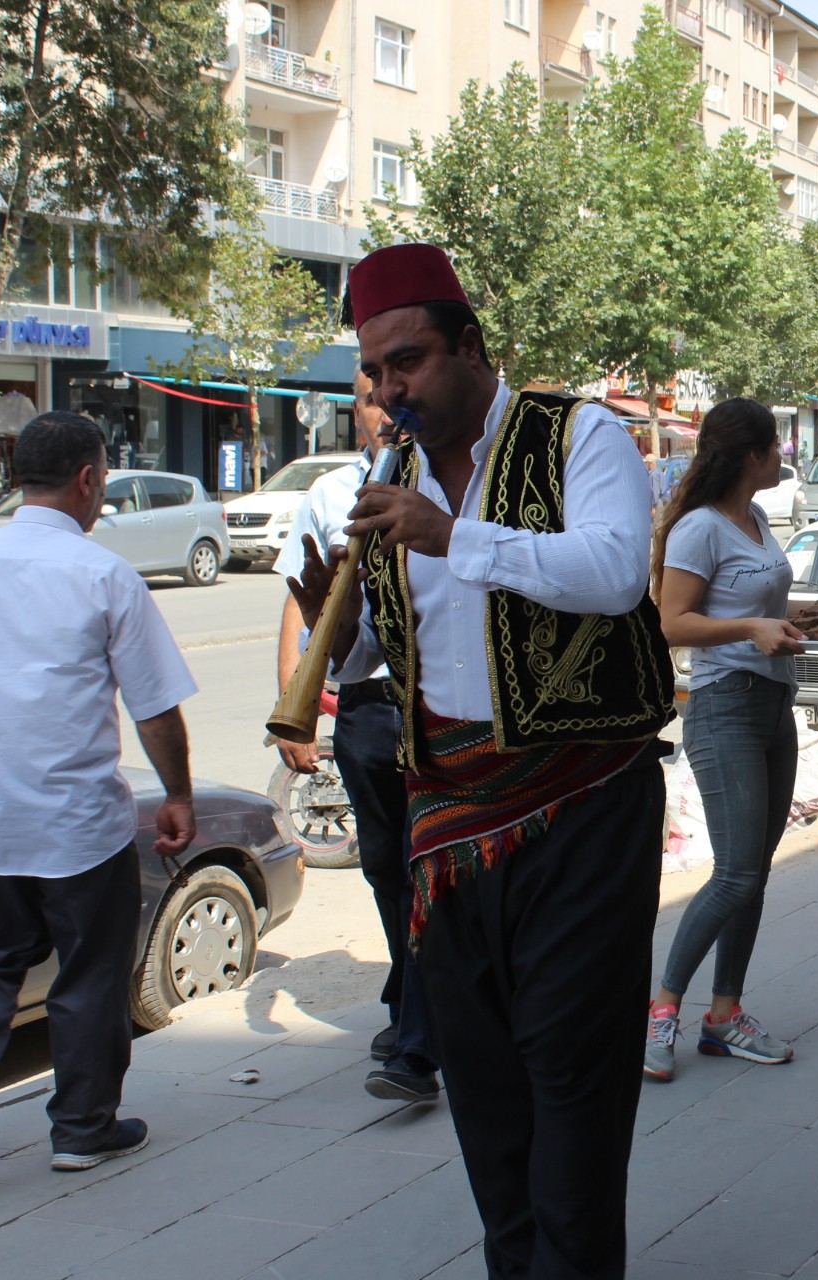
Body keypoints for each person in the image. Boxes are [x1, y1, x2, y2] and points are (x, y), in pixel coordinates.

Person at [289, 244, 672, 1279]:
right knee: (488, 1094)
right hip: (448, 826)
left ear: (470, 346)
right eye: (374, 373)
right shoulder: (395, 478)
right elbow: (387, 652)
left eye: (406, 361)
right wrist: (337, 604)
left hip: (581, 806)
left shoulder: (577, 434)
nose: (388, 391)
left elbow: (613, 572)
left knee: (573, 1088)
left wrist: (454, 534)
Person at [0, 412, 197, 1194]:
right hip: (79, 827)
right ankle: (82, 1129)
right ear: (90, 479)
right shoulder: (103, 575)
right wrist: (176, 794)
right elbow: (155, 706)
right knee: (92, 972)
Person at [274, 368, 437, 1103]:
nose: (385, 414)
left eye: (392, 400)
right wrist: (297, 700)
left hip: (441, 704)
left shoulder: (445, 479)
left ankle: (417, 1033)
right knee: (385, 867)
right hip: (372, 706)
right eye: (372, 402)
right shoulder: (331, 494)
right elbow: (312, 609)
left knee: (433, 867)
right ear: (358, 413)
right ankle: (411, 1001)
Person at [645, 399, 805, 1081]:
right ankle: (661, 1012)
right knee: (736, 870)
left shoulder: (758, 519)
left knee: (755, 871)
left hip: (774, 705)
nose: (782, 458)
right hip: (725, 708)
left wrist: (810, 617)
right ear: (751, 454)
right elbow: (670, 623)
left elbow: (754, 605)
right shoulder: (700, 530)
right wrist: (750, 632)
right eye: (775, 448)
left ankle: (725, 1015)